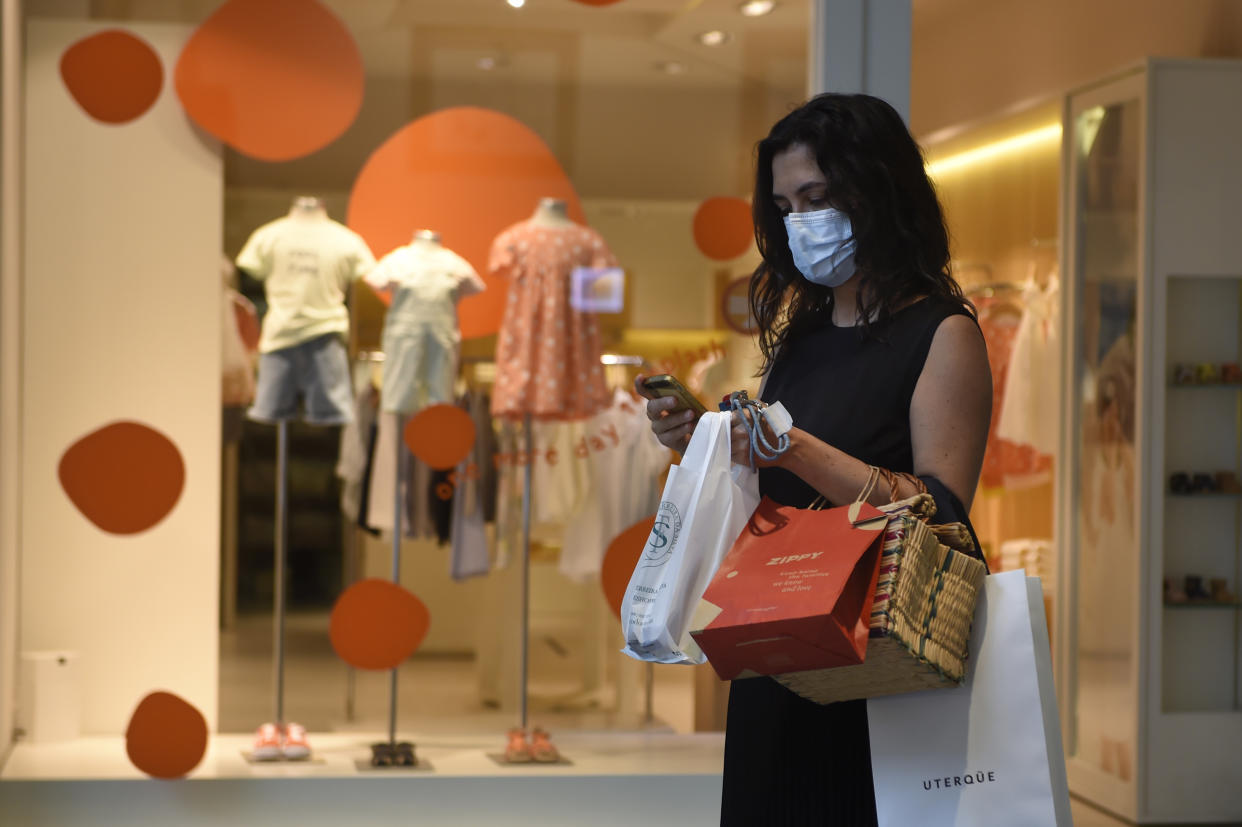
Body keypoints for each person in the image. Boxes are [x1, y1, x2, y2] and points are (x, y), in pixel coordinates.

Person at [636, 93, 992, 824]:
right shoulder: (799, 336)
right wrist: (704, 438)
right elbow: (773, 488)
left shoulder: (942, 332)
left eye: (817, 197)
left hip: (876, 657)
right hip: (778, 644)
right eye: (786, 203)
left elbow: (943, 509)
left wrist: (792, 446)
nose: (801, 221)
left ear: (879, 190)